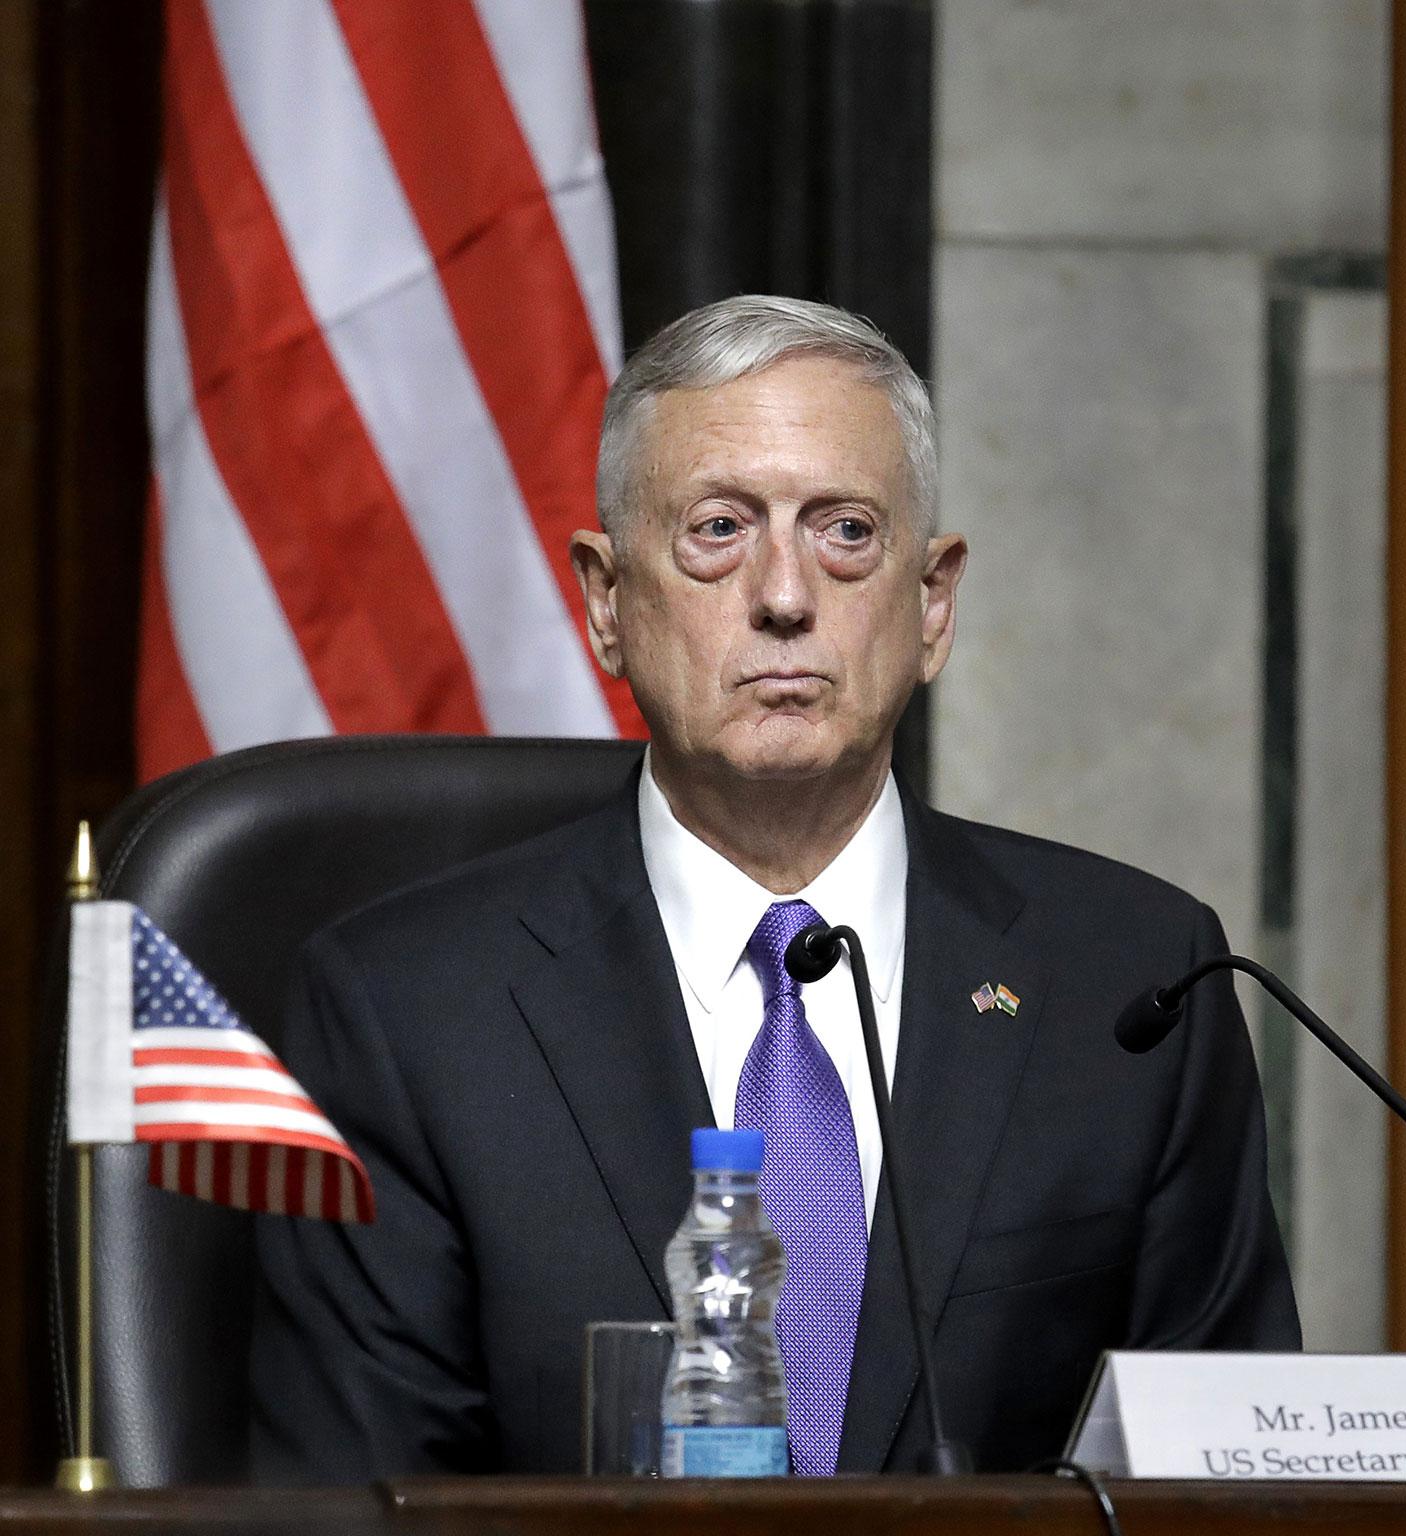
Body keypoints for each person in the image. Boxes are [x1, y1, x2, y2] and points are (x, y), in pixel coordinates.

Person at [249, 295, 1299, 1481]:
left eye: (846, 531)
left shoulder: (1133, 985)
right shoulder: (406, 1012)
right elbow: (359, 1506)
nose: (786, 595)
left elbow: (1225, 1489)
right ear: (606, 602)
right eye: (716, 530)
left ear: (932, 603)